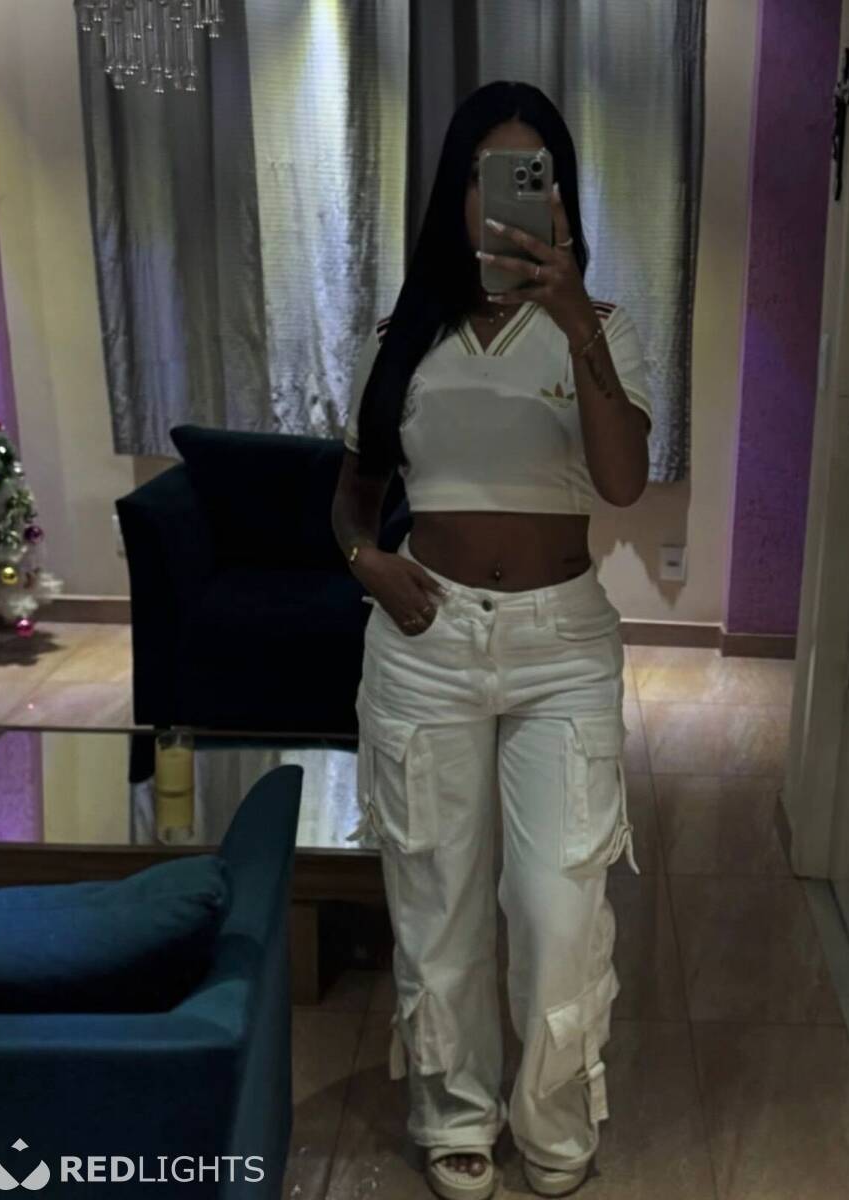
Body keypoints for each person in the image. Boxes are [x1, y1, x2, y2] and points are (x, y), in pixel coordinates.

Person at [331, 80, 652, 1200]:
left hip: (562, 649)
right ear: (454, 194)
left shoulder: (602, 330)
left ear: (559, 195)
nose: (503, 197)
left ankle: (553, 1113)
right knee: (436, 900)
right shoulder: (402, 336)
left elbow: (622, 483)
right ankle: (452, 1111)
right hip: (426, 641)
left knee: (560, 907)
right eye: (484, 175)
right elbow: (355, 491)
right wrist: (363, 559)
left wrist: (575, 324)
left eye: (530, 175)